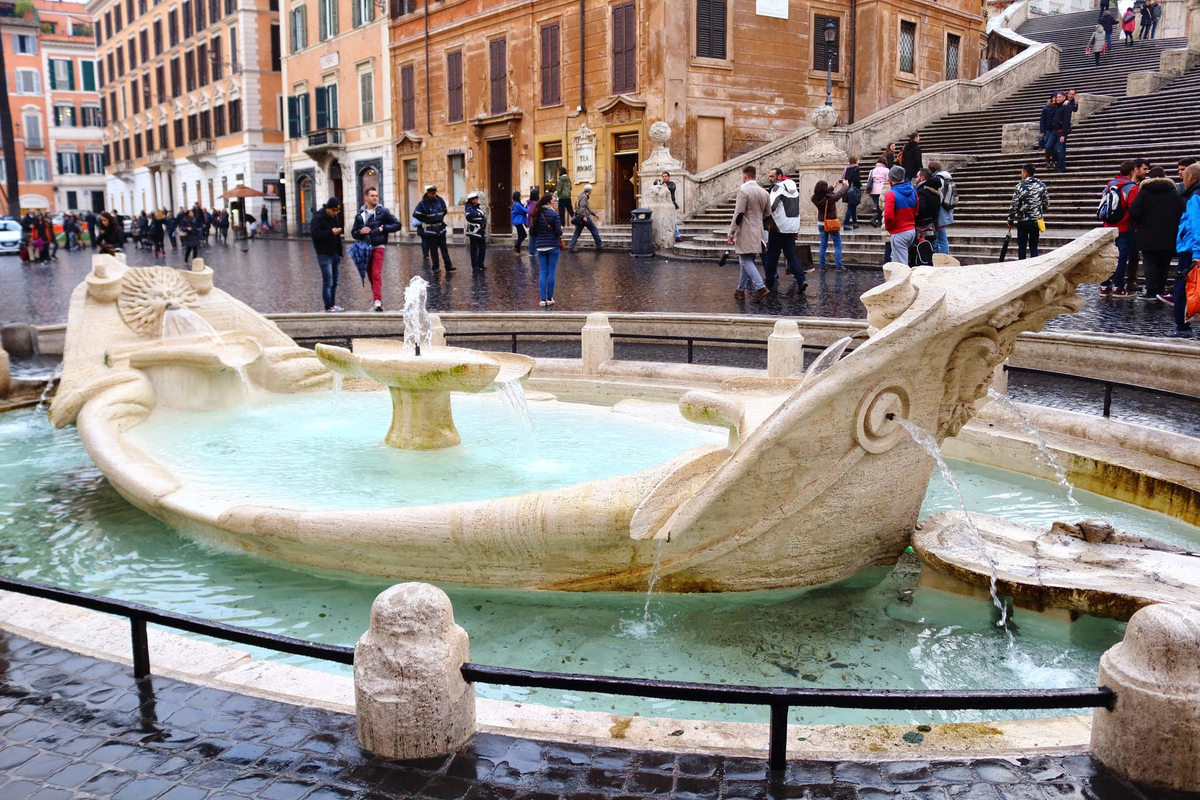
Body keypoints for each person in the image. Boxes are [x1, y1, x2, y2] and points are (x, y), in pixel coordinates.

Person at [1129, 166, 1184, 303]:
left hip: (1148, 234)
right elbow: (1182, 210)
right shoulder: (1174, 192)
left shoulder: (1144, 192)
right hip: (1169, 234)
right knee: (1164, 263)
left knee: (1150, 262)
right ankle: (1160, 290)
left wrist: (1142, 221)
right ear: (1164, 176)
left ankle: (1151, 291)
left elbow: (1134, 211)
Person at [726, 166, 771, 302]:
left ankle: (760, 287)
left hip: (746, 230)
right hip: (758, 230)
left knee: (745, 260)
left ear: (744, 176)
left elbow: (739, 214)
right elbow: (768, 213)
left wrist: (731, 232)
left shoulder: (743, 191)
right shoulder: (764, 193)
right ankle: (740, 290)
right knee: (745, 260)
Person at [355, 186, 404, 311]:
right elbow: (353, 233)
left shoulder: (383, 212)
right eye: (372, 195)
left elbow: (397, 224)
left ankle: (378, 301)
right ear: (366, 197)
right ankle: (376, 299)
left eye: (376, 195)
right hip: (364, 248)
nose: (375, 197)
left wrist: (383, 228)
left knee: (376, 274)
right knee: (370, 276)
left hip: (378, 246)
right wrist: (360, 231)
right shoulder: (360, 214)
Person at [1099, 161, 1141, 296]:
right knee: (1121, 258)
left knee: (1108, 257)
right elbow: (1134, 209)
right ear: (1132, 172)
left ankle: (1105, 286)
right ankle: (1118, 287)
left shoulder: (1109, 186)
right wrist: (1135, 226)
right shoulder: (1131, 188)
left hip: (1108, 227)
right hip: (1124, 227)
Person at [1168, 164, 1200, 337]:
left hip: (1191, 251)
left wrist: (1197, 252)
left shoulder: (1195, 196)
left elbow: (1196, 225)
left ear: (1190, 178)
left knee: (1181, 288)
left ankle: (1182, 327)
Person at [764, 167, 804, 291]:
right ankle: (801, 280)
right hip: (791, 227)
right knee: (791, 256)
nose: (770, 179)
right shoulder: (794, 188)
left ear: (780, 176)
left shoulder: (777, 188)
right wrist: (796, 228)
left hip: (778, 227)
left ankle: (769, 283)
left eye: (772, 176)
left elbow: (771, 206)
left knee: (772, 256)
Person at [1006, 163, 1049, 260]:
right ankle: (1035, 265)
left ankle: (1022, 265)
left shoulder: (1020, 187)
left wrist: (1010, 220)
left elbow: (1014, 205)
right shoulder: (1042, 186)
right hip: (1036, 221)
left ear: (1025, 173)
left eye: (1022, 172)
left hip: (1023, 221)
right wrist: (1039, 212)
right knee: (1034, 246)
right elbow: (1046, 203)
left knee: (1022, 246)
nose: (1021, 174)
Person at [311, 197, 344, 312]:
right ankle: (328, 306)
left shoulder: (335, 218)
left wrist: (340, 251)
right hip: (324, 254)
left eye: (337, 211)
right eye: (334, 211)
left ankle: (332, 304)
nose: (335, 213)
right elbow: (315, 235)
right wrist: (331, 233)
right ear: (328, 209)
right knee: (328, 280)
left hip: (335, 253)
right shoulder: (318, 218)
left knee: (335, 281)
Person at [528, 193, 562, 306]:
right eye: (553, 200)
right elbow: (559, 232)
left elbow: (532, 232)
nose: (554, 202)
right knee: (551, 272)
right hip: (553, 245)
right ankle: (549, 298)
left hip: (540, 247)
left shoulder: (536, 214)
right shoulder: (554, 214)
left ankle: (542, 299)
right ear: (549, 202)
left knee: (543, 272)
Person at [413, 184, 453, 274]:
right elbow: (416, 214)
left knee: (444, 248)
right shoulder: (422, 203)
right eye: (432, 193)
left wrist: (440, 217)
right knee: (433, 250)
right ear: (428, 193)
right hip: (430, 229)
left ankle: (448, 265)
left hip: (440, 228)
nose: (434, 195)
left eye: (435, 193)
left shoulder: (440, 200)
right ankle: (435, 267)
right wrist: (426, 220)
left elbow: (444, 210)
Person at [883, 165, 917, 265]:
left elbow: (888, 216)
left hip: (899, 231)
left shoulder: (891, 194)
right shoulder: (913, 191)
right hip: (911, 229)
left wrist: (889, 228)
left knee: (900, 265)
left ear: (891, 179)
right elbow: (916, 210)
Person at [811, 180, 847, 271]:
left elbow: (825, 194)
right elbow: (840, 194)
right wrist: (845, 186)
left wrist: (833, 186)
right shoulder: (830, 198)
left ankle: (822, 266)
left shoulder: (814, 198)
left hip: (821, 223)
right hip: (831, 224)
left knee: (823, 245)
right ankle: (839, 266)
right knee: (838, 244)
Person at [928, 161, 956, 255]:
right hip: (946, 207)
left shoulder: (938, 178)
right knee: (940, 234)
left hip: (940, 209)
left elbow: (939, 195)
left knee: (941, 235)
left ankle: (943, 257)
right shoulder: (947, 177)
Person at [568, 184, 602, 252]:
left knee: (577, 232)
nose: (591, 191)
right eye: (591, 190)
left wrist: (594, 214)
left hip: (580, 217)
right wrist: (584, 216)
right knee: (594, 229)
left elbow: (587, 208)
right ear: (589, 190)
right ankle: (599, 244)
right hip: (584, 217)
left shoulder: (582, 195)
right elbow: (582, 207)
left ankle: (571, 247)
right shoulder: (585, 196)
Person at [1048, 90, 1072, 173]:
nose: (1057, 98)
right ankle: (1058, 160)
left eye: (1059, 97)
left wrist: (1063, 134)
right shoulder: (1057, 106)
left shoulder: (1066, 107)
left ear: (1064, 98)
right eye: (1057, 97)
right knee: (1048, 147)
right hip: (1054, 130)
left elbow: (1066, 121)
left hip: (1061, 131)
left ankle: (1061, 167)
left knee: (1061, 149)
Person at [654, 171, 681, 241]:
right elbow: (655, 188)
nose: (664, 178)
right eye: (663, 176)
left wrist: (666, 187)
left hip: (671, 204)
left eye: (665, 176)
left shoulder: (672, 184)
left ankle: (677, 236)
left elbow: (673, 188)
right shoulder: (661, 184)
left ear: (669, 177)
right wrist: (655, 182)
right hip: (662, 205)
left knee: (673, 221)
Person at [464, 190, 487, 271]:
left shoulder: (478, 207)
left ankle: (481, 263)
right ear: (472, 200)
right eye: (476, 198)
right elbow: (468, 217)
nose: (477, 200)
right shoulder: (469, 208)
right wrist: (476, 214)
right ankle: (475, 265)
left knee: (482, 248)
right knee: (474, 249)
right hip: (474, 231)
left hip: (480, 231)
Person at [867, 158, 889, 227]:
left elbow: (869, 181)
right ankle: (874, 218)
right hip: (882, 190)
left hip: (873, 191)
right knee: (880, 207)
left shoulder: (872, 171)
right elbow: (887, 181)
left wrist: (869, 192)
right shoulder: (886, 170)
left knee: (878, 206)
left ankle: (879, 222)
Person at [842, 156, 862, 229]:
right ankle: (846, 223)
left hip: (848, 188)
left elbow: (843, 178)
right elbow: (856, 180)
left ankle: (854, 223)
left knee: (853, 206)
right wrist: (860, 185)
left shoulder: (847, 168)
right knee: (850, 207)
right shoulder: (856, 168)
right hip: (854, 189)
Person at [525, 187, 541, 257]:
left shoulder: (530, 203)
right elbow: (532, 212)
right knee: (535, 237)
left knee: (532, 237)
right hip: (535, 222)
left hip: (532, 222)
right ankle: (533, 252)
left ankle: (532, 251)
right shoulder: (535, 203)